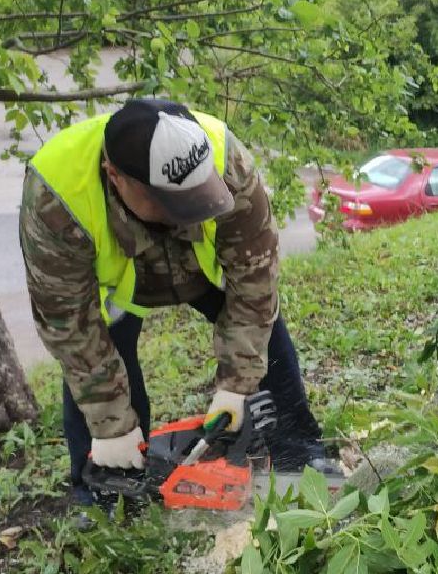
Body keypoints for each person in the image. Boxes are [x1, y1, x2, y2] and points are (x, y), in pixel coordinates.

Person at [19, 97, 339, 504]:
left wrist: (238, 382)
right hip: (116, 284)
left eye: (196, 196)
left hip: (197, 268)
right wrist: (111, 424)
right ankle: (102, 492)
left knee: (266, 332)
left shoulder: (227, 160)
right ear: (114, 176)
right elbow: (70, 327)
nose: (189, 211)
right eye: (171, 202)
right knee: (103, 375)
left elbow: (255, 282)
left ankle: (299, 450)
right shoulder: (55, 194)